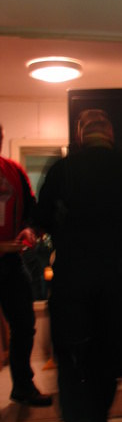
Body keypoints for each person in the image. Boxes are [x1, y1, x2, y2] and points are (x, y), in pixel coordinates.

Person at [36, 109, 122, 422]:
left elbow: (40, 219)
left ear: (81, 135)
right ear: (109, 133)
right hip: (118, 280)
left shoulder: (63, 169)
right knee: (106, 356)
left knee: (72, 358)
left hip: (73, 278)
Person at [0, 123, 53, 407]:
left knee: (24, 323)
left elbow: (32, 212)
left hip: (11, 260)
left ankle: (22, 386)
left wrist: (29, 230)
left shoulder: (15, 171)